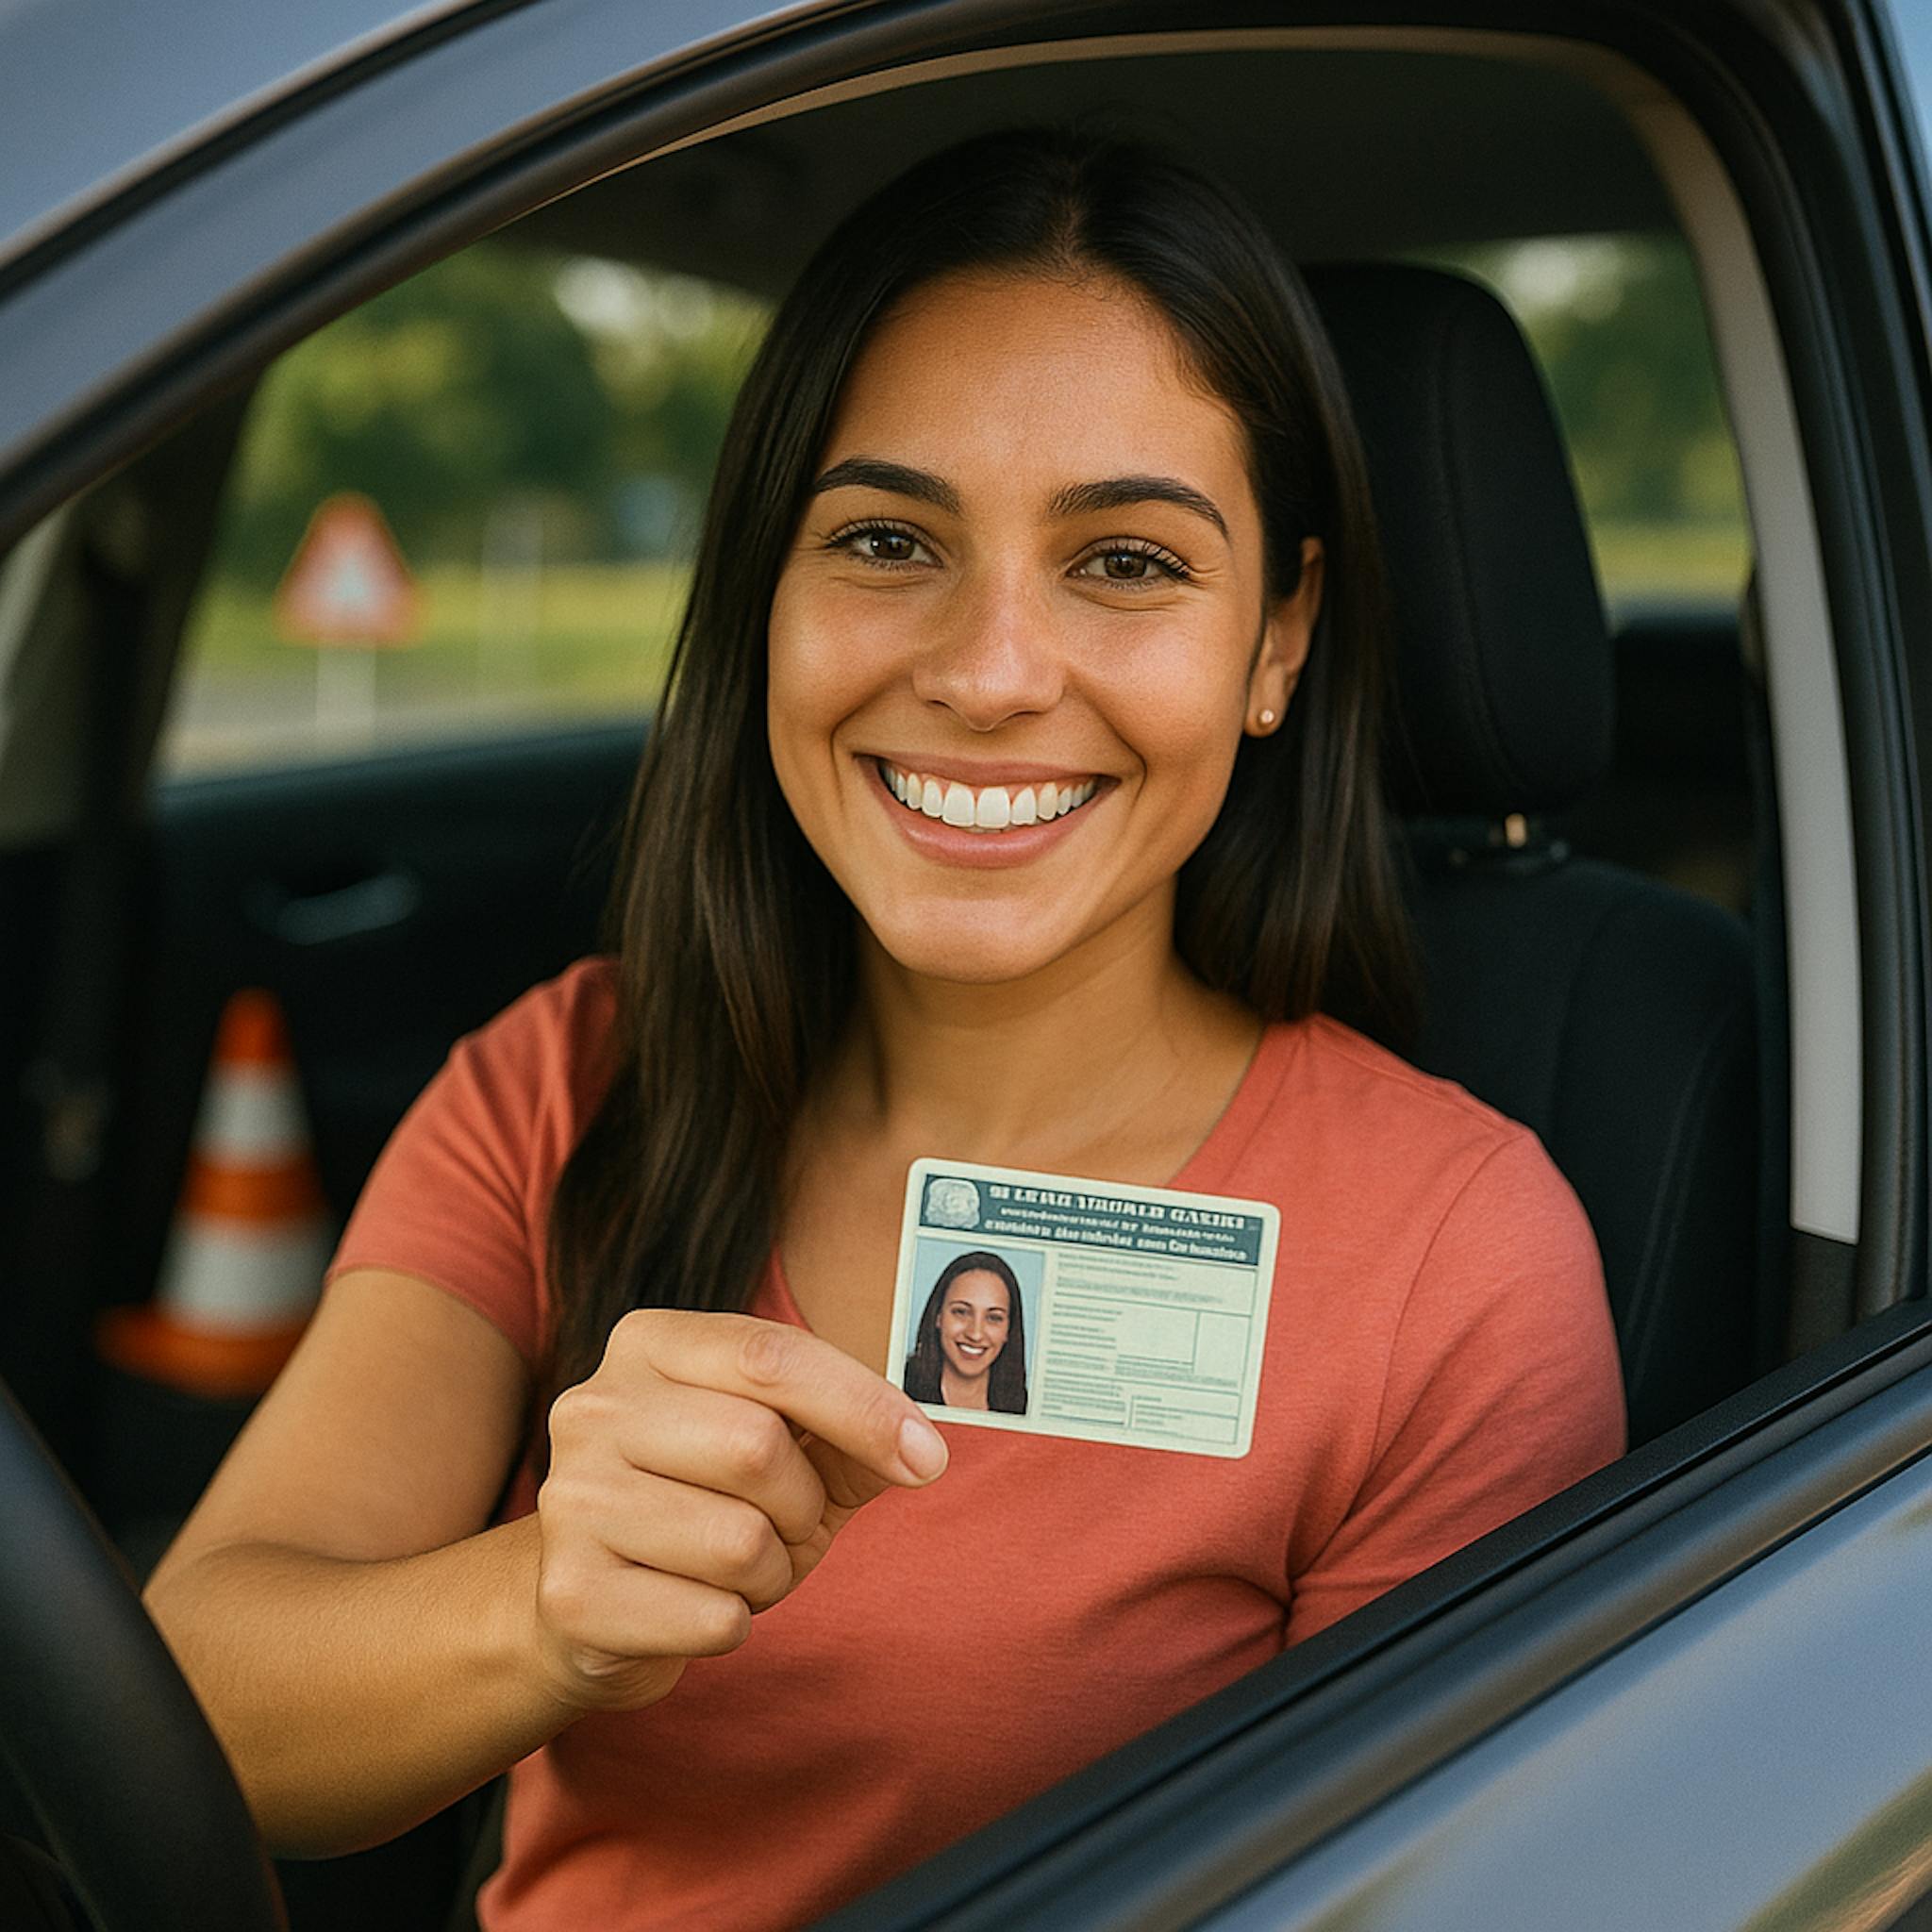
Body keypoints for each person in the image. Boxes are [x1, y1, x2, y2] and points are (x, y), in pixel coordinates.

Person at [142, 126, 1625, 1929]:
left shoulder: (1453, 1259)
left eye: (1129, 563)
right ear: (763, 595)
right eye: (883, 538)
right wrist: (542, 1602)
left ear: (1276, 642)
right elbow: (194, 1707)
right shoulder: (568, 1078)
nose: (991, 670)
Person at [903, 1251, 1029, 1412]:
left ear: (1008, 1331)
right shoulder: (897, 1389)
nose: (975, 1334)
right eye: (961, 1312)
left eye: (993, 1318)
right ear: (938, 1317)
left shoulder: (1022, 1406)